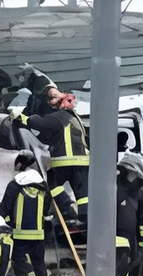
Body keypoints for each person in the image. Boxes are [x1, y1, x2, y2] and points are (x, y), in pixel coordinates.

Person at [0, 150, 77, 276]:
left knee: (19, 262)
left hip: (20, 235)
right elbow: (46, 212)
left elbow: (5, 207)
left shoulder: (15, 185)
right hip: (38, 236)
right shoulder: (43, 187)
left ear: (20, 164)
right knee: (39, 264)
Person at [14, 90, 90, 222]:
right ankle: (85, 219)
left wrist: (24, 118)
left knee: (52, 183)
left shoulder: (59, 116)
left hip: (65, 161)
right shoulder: (74, 118)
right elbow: (49, 137)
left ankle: (67, 208)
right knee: (82, 194)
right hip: (82, 163)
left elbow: (42, 125)